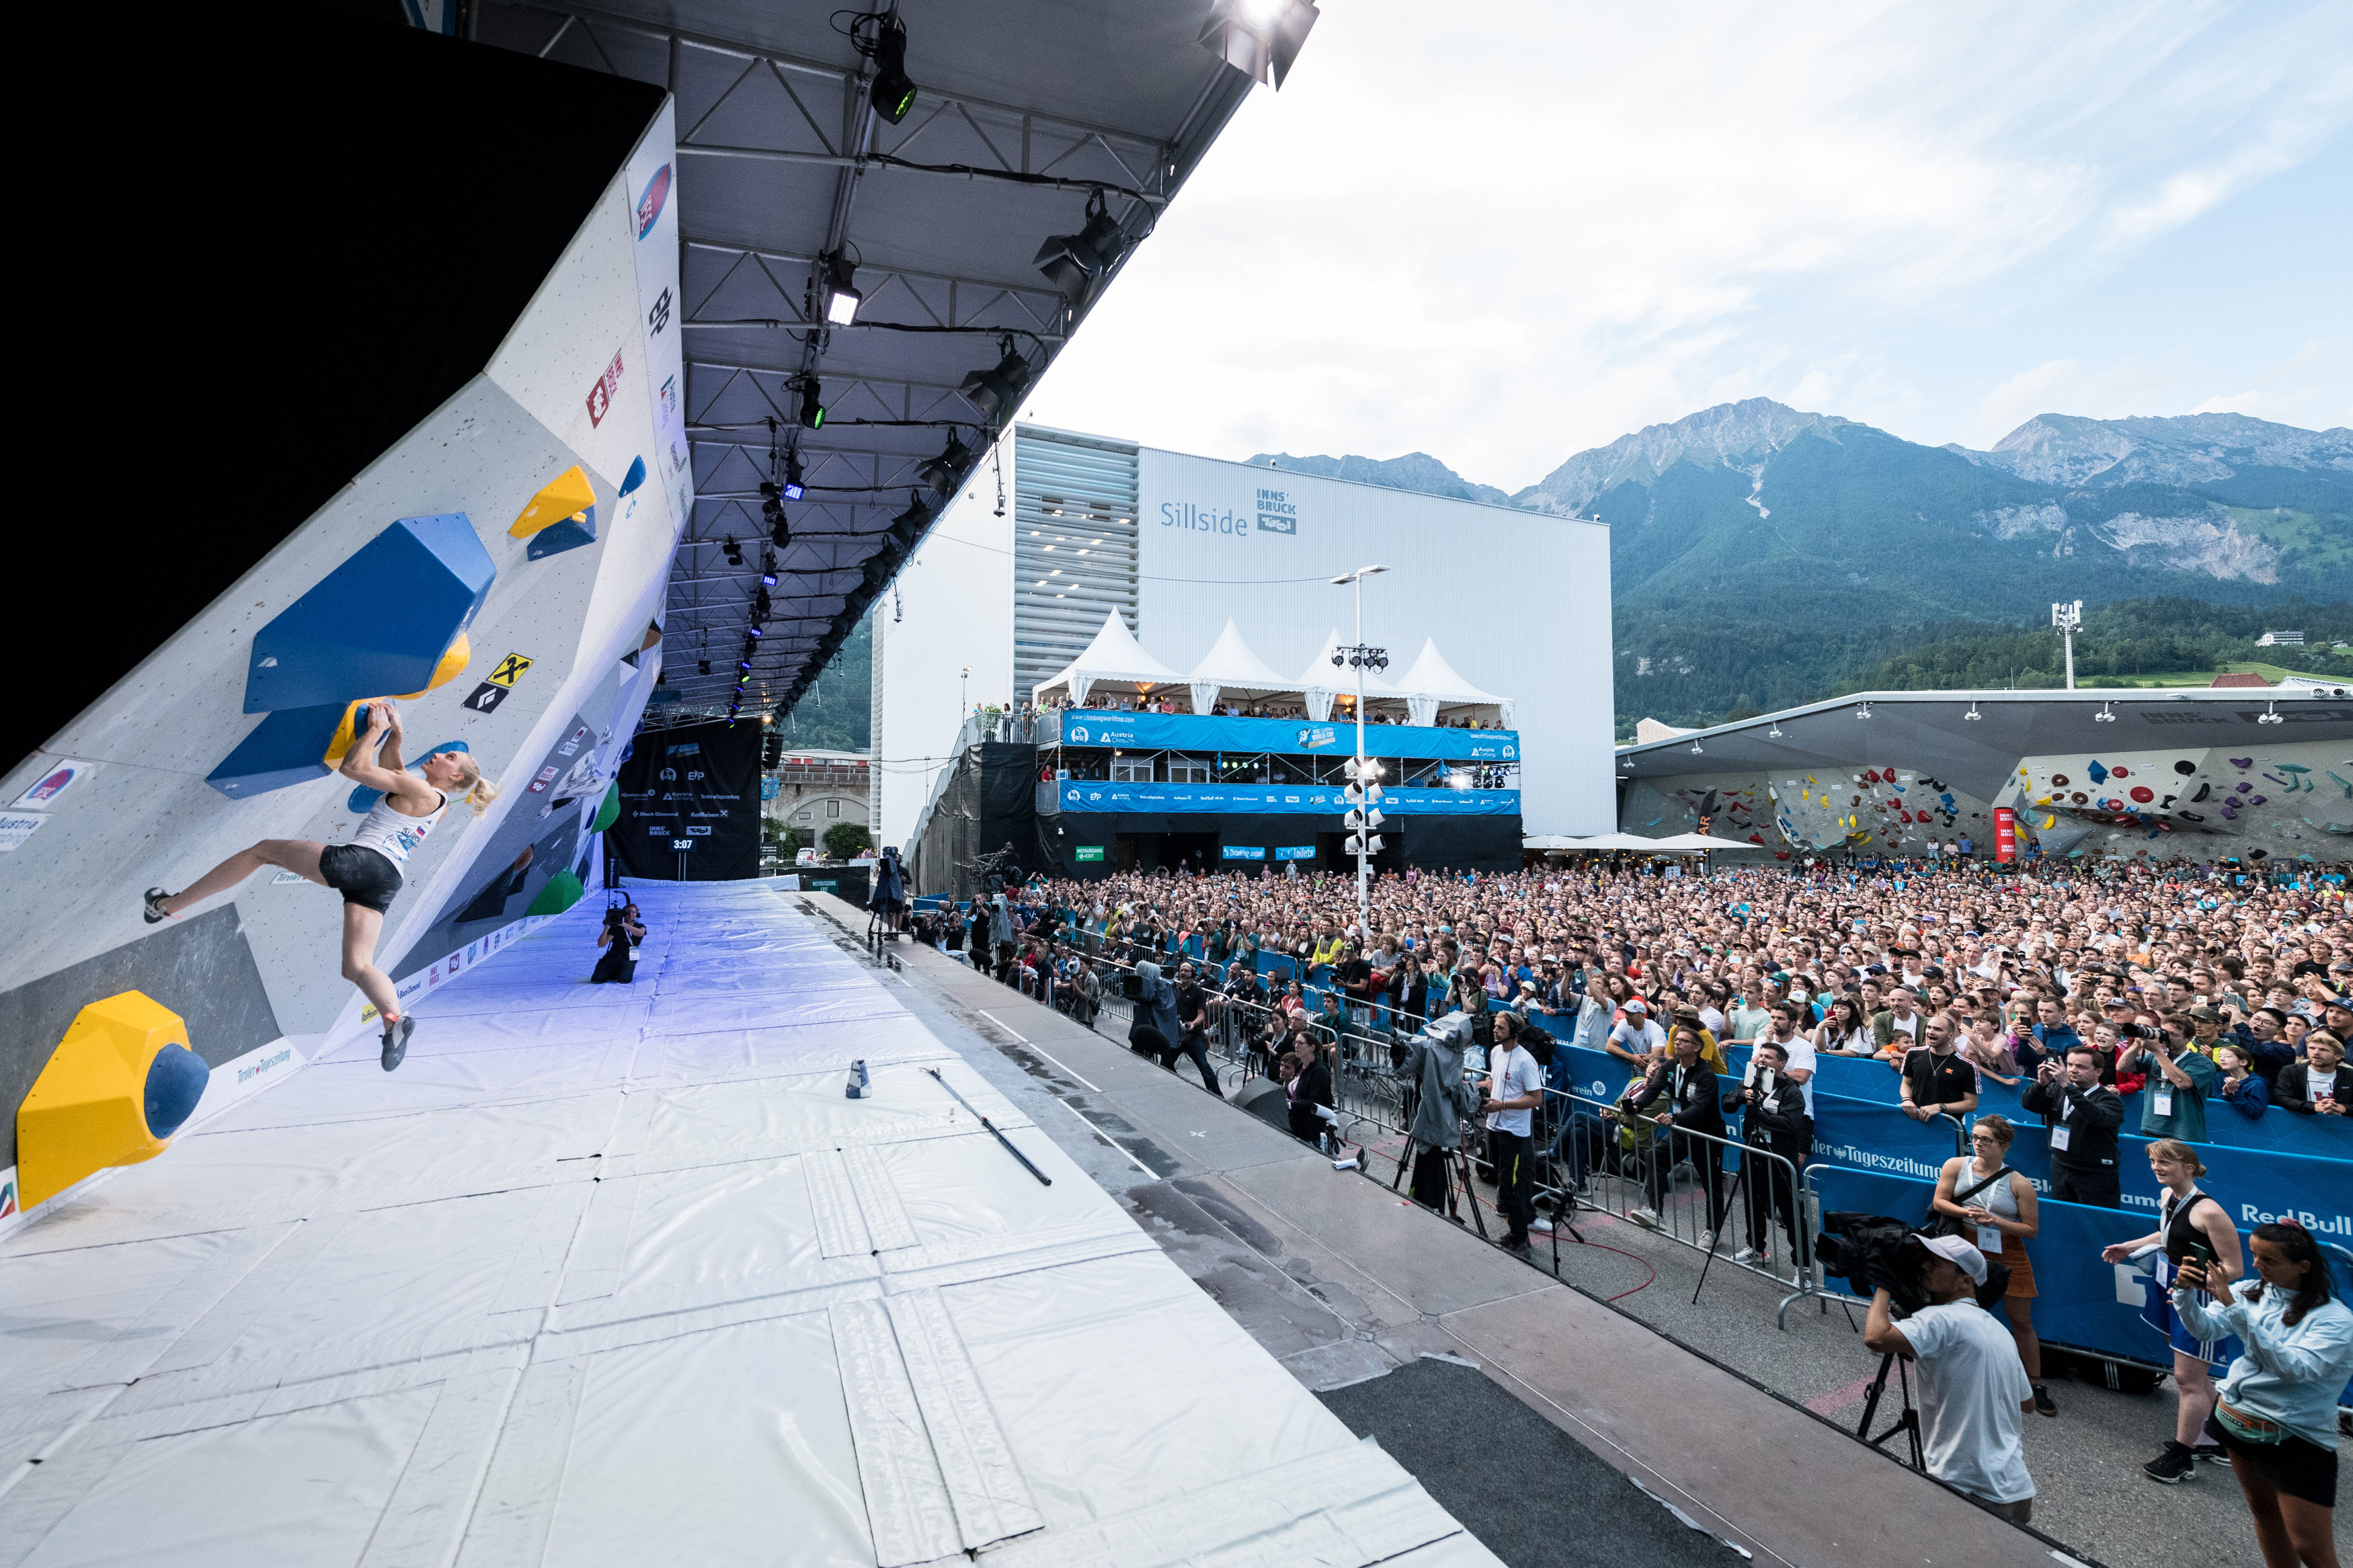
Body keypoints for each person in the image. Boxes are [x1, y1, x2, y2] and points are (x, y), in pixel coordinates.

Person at [143, 699, 496, 1071]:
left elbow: (353, 767)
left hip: (363, 862)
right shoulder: (436, 802)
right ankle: (394, 1019)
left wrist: (375, 731)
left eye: (450, 757)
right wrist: (397, 734)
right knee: (358, 965)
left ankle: (167, 905)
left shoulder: (423, 791)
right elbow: (394, 772)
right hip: (386, 880)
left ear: (455, 777)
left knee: (262, 851)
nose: (441, 754)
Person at [2175, 1221, 2353, 1568]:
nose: (2256, 1265)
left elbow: (2293, 1369)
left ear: (2303, 1267)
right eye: (2255, 1254)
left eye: (2268, 1260)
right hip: (2235, 1422)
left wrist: (2233, 1307)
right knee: (2264, 1513)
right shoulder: (2251, 1290)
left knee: (2310, 1548)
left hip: (2296, 1439)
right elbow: (2205, 1330)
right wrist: (2185, 1294)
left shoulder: (2337, 1320)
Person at [1862, 1235, 2037, 1522]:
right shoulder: (2000, 1331)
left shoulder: (1941, 1319)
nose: (1925, 1268)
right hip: (2015, 1488)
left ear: (1965, 1281)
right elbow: (2027, 1403)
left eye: (1936, 1263)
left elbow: (1876, 1337)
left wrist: (1884, 1284)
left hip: (1968, 1485)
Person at [2101, 1139, 2246, 1483]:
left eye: (2165, 1162)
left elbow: (2235, 1269)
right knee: (2189, 1374)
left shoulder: (2210, 1211)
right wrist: (2129, 1246)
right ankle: (2218, 1440)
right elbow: (2165, 1238)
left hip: (2198, 1299)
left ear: (2189, 1168)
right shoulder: (2168, 1197)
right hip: (2169, 1285)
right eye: (2153, 1161)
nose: (2157, 1167)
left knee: (2188, 1378)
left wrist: (2195, 1281)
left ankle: (2183, 1456)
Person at [1933, 1115, 2053, 1417]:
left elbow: (2032, 1229)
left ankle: (2035, 1383)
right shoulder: (1955, 1166)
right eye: (1975, 1137)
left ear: (2004, 1146)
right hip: (1965, 1243)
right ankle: (1946, 1366)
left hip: (2007, 1249)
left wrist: (1997, 1221)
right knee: (1954, 1308)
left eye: (1986, 1140)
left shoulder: (2019, 1183)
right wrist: (1967, 1213)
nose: (1978, 1143)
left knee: (2021, 1320)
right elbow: (1939, 1202)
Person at [1625, 1022, 1730, 1247]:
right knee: (1655, 1156)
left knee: (1711, 1184)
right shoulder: (1670, 1065)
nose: (1677, 1043)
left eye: (1683, 1041)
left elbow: (1700, 1108)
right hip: (1681, 1132)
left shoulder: (1706, 1075)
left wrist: (1674, 1119)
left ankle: (1712, 1231)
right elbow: (1654, 1089)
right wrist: (1637, 1107)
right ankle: (1656, 1212)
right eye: (1676, 1040)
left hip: (1705, 1135)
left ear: (1696, 1048)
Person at [1724, 1039, 1812, 1277]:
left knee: (1790, 1210)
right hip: (1753, 1151)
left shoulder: (1791, 1091)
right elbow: (1727, 1104)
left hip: (1781, 1156)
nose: (1762, 1060)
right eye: (1760, 1056)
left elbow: (1788, 1124)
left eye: (1768, 1058)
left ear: (1782, 1064)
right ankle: (1756, 1248)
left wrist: (1757, 1112)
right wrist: (1743, 1096)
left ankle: (1803, 1266)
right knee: (1753, 1202)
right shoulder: (1751, 1080)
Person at [2022, 1045, 2126, 1208]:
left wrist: (2068, 1087)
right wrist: (2041, 1084)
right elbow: (2029, 1104)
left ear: (2098, 1071)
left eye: (2081, 1067)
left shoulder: (2109, 1099)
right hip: (2061, 1165)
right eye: (2070, 1065)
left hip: (2094, 1172)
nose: (2073, 1070)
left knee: (2096, 1222)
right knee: (2065, 1217)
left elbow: (2095, 1117)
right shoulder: (2057, 1088)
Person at [1480, 1010, 1546, 1254]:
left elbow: (1536, 1098)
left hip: (1515, 1134)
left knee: (1515, 1186)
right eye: (1494, 1026)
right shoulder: (1496, 1052)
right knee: (1503, 1183)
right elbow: (1495, 1082)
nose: (1494, 1030)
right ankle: (1516, 1232)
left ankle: (1521, 1239)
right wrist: (1477, 1085)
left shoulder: (1526, 1061)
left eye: (1500, 1027)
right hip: (1494, 1127)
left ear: (1514, 1031)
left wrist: (1504, 1105)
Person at [2119, 1015, 2217, 1142]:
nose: (2167, 1037)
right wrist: (2137, 1044)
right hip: (2153, 1126)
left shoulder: (2201, 1062)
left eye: (2174, 1034)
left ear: (2189, 1039)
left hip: (2184, 1131)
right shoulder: (2154, 1057)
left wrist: (2157, 1050)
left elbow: (2183, 1083)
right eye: (2165, 1032)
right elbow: (2123, 1067)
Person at [1899, 1014, 1979, 1122]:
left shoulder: (1967, 1065)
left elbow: (1971, 1104)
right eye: (1929, 1027)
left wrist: (1940, 1107)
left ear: (1951, 1036)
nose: (1931, 1032)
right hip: (1916, 1121)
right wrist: (1907, 1099)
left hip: (1947, 1126)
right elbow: (1906, 1083)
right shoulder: (1913, 1054)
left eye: (1938, 1030)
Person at [1168, 961, 1224, 1098]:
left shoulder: (1198, 992)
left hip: (1193, 1037)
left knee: (1205, 1068)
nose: (1183, 973)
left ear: (1193, 973)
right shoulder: (1174, 989)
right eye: (1181, 970)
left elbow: (1201, 1015)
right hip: (1177, 1036)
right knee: (1165, 1063)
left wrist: (1193, 1024)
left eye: (1186, 971)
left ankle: (1218, 1096)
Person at [2272, 1031, 2352, 1116]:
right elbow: (2281, 1098)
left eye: (2323, 1050)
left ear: (2338, 1056)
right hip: (2302, 1124)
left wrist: (2344, 1108)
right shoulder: (2291, 1071)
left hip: (2339, 1125)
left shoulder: (2349, 1075)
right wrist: (2313, 1106)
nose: (2316, 1052)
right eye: (2312, 1048)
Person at [2211, 1042, 2272, 1119]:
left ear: (2243, 1062)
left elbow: (2256, 1113)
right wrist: (2225, 1094)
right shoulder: (2219, 1077)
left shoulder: (2257, 1084)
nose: (2221, 1059)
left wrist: (2235, 1093)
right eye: (2220, 1056)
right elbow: (2213, 1107)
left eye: (2227, 1056)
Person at [591, 901, 647, 984]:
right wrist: (606, 927)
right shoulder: (616, 928)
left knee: (624, 980)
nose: (631, 914)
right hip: (614, 953)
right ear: (624, 914)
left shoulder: (640, 926)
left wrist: (623, 924)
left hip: (630, 954)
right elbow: (601, 944)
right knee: (597, 979)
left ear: (637, 915)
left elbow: (640, 933)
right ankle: (613, 971)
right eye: (628, 912)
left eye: (633, 912)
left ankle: (618, 971)